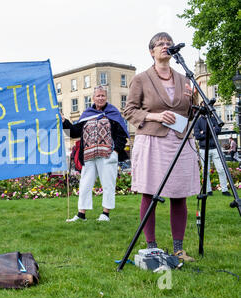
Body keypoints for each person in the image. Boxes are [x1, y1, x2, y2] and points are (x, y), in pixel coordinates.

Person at [123, 32, 200, 262]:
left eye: (169, 43)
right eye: (160, 44)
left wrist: (194, 99)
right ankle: (152, 246)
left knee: (180, 194)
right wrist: (156, 116)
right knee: (150, 192)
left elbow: (191, 111)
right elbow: (130, 111)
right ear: (152, 51)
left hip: (180, 139)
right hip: (152, 140)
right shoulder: (141, 79)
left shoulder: (185, 78)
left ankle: (179, 248)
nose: (166, 46)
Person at [62, 86, 129, 222]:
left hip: (107, 155)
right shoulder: (87, 114)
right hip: (89, 156)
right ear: (93, 98)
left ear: (106, 97)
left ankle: (105, 214)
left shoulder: (113, 113)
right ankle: (81, 215)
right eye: (98, 96)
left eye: (103, 96)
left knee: (108, 184)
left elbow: (122, 135)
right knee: (85, 184)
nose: (100, 98)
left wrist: (115, 151)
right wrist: (65, 122)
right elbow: (75, 132)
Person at [194, 114, 231, 196]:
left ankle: (224, 190)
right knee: (205, 171)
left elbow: (218, 130)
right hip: (204, 149)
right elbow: (197, 136)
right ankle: (208, 191)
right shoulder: (198, 121)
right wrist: (211, 130)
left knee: (221, 169)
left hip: (215, 148)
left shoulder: (214, 119)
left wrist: (204, 132)